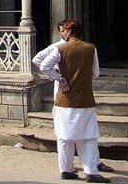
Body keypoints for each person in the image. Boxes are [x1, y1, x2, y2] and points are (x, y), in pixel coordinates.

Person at [33, 20, 114, 174]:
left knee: (64, 137)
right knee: (88, 137)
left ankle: (66, 170)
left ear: (69, 32)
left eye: (63, 30)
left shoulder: (60, 49)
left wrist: (59, 77)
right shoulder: (90, 48)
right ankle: (91, 171)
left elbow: (43, 65)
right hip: (85, 98)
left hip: (64, 97)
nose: (61, 33)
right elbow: (96, 73)